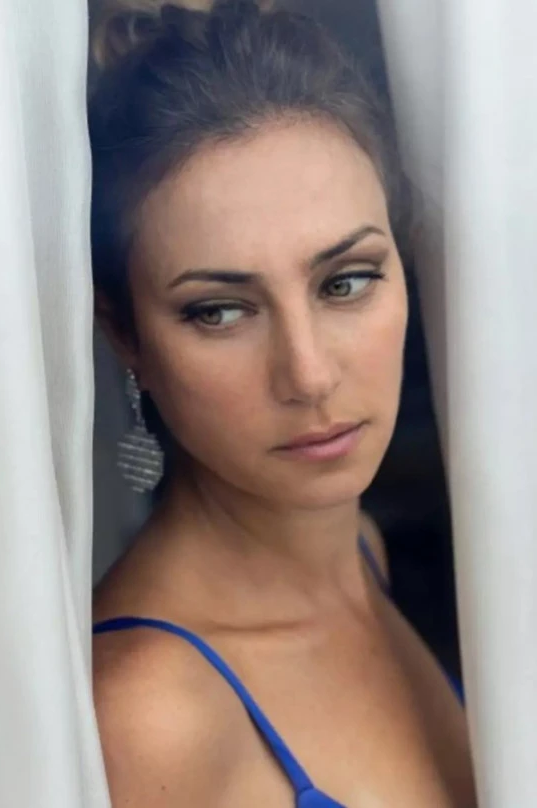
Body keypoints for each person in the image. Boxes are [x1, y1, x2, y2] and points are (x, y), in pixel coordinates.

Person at [88, 1, 476, 805]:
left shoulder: (359, 550)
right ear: (125, 334)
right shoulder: (148, 711)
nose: (308, 375)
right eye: (219, 311)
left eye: (346, 282)